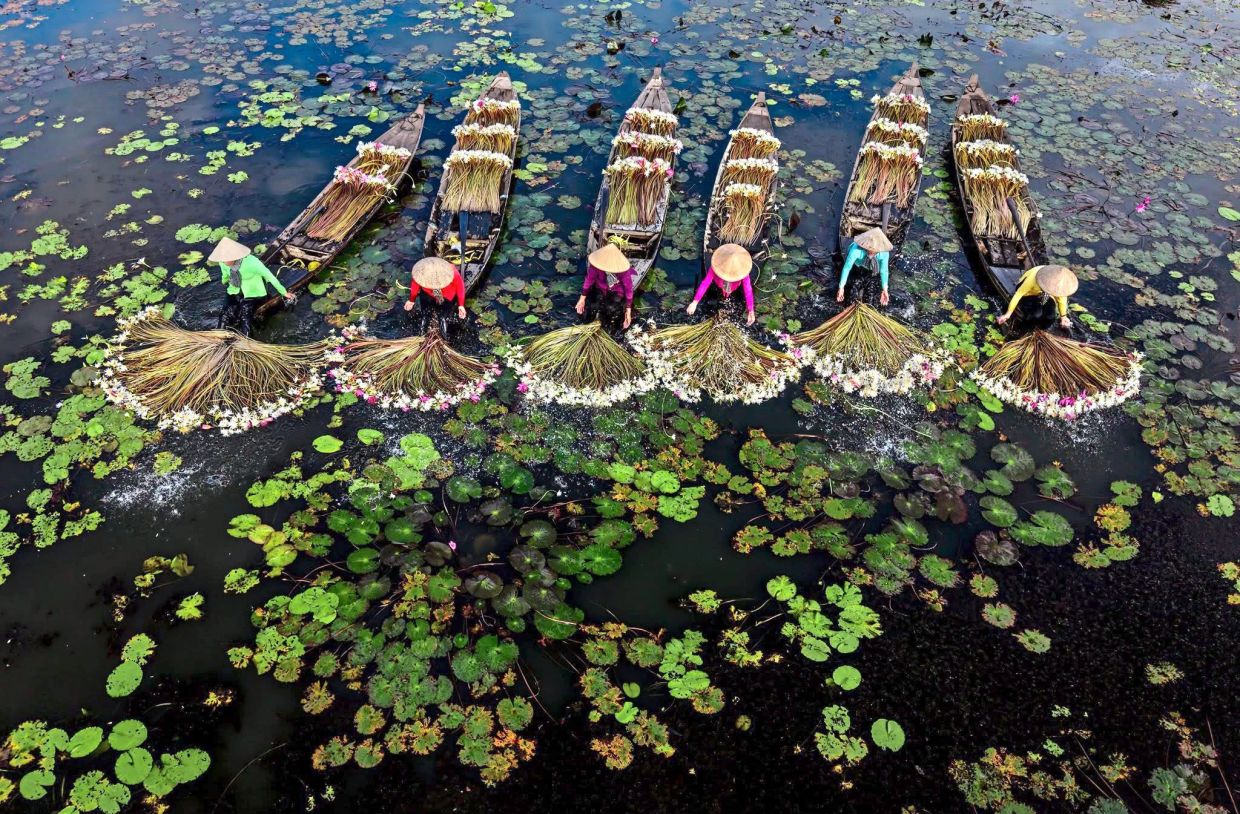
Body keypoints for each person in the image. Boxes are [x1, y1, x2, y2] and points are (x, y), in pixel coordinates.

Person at [211, 237, 293, 335]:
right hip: (235, 289)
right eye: (223, 260)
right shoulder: (223, 262)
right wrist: (224, 281)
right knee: (225, 314)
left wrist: (284, 292)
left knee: (245, 317)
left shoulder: (252, 263)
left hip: (253, 292)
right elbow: (225, 275)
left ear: (235, 256)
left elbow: (270, 277)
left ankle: (247, 341)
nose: (224, 263)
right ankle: (218, 337)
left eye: (227, 260)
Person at [687, 243, 756, 326]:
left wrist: (751, 310)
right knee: (722, 293)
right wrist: (695, 302)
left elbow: (748, 290)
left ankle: (727, 295)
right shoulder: (716, 267)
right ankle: (724, 294)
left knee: (728, 294)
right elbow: (705, 283)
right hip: (719, 284)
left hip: (734, 286)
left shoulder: (742, 272)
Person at [996, 264, 1078, 330]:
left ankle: (1042, 330)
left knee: (1051, 316)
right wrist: (1008, 314)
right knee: (1036, 314)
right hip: (1028, 293)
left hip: (1046, 295)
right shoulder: (1035, 277)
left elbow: (1061, 300)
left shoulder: (1061, 285)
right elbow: (1018, 294)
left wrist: (1063, 316)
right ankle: (1025, 329)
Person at [575, 243, 635, 332]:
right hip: (601, 287)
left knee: (612, 308)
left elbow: (628, 290)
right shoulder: (596, 266)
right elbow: (589, 280)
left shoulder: (623, 271)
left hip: (617, 290)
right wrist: (582, 298)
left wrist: (628, 310)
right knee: (594, 304)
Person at [403, 256, 467, 336]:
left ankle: (444, 336)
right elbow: (415, 284)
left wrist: (461, 305)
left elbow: (460, 288)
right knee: (425, 314)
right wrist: (411, 300)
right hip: (427, 293)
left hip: (446, 295)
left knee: (442, 316)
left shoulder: (452, 272)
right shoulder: (420, 272)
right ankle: (422, 333)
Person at [837, 227, 892, 306]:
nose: (872, 252)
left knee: (871, 291)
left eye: (875, 251)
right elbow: (847, 268)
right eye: (870, 249)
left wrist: (885, 290)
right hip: (857, 264)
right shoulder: (855, 251)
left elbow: (884, 271)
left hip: (873, 266)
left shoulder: (884, 253)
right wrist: (841, 287)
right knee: (853, 286)